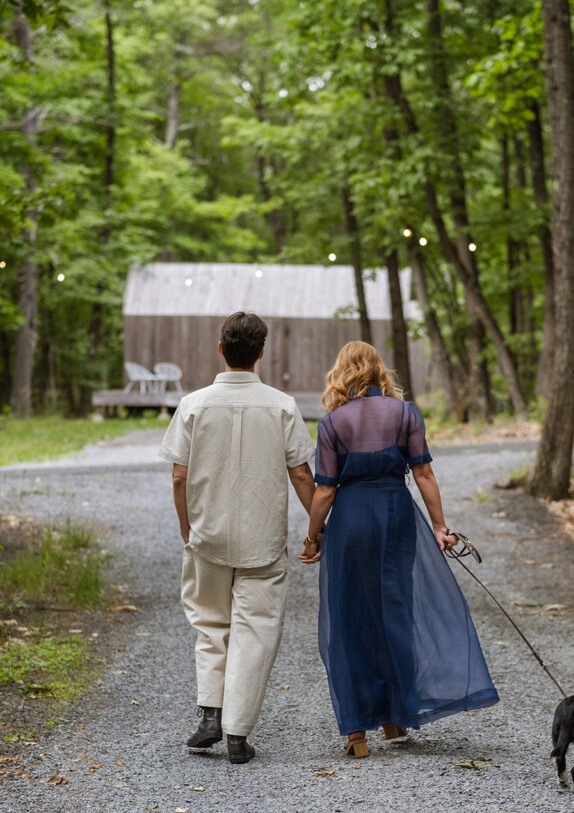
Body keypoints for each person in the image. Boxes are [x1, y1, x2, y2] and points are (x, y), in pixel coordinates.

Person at [299, 341, 498, 757]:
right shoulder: (405, 413)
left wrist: (314, 536)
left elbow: (324, 491)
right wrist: (441, 526)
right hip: (395, 514)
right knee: (395, 608)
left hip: (351, 521)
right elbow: (423, 472)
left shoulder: (333, 422)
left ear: (343, 373)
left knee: (350, 615)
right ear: (378, 371)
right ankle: (394, 715)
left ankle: (357, 732)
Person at [159, 312, 315, 764]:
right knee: (256, 631)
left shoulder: (193, 404)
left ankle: (210, 713)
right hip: (262, 540)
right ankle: (237, 735)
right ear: (261, 352)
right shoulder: (282, 405)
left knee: (209, 624)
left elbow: (178, 477)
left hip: (207, 534)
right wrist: (316, 529)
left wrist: (188, 528)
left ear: (221, 349)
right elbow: (302, 474)